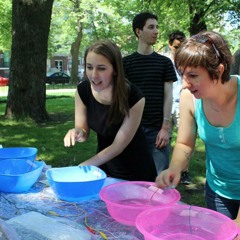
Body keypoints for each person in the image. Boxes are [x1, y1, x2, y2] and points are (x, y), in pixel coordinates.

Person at [155, 30, 240, 224]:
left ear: (218, 71)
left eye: (192, 75)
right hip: (217, 191)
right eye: (183, 75)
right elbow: (185, 143)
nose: (184, 85)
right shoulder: (190, 98)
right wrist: (174, 168)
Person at [64, 40, 157, 181]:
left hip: (136, 169)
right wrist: (77, 132)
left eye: (101, 68)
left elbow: (118, 146)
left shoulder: (134, 97)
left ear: (115, 70)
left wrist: (82, 167)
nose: (94, 75)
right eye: (89, 67)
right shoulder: (82, 91)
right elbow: (84, 134)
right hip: (103, 164)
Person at [123, 12, 177, 175]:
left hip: (157, 130)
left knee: (160, 180)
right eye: (151, 27)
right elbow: (123, 99)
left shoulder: (164, 63)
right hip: (132, 130)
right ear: (138, 31)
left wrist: (165, 128)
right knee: (132, 178)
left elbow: (169, 97)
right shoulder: (126, 63)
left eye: (157, 27)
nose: (156, 31)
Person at [166, 30, 191, 185]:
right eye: (176, 47)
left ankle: (184, 171)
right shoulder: (165, 61)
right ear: (170, 45)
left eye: (181, 46)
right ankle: (168, 168)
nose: (179, 49)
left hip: (183, 104)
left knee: (186, 139)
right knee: (165, 137)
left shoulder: (187, 62)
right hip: (168, 104)